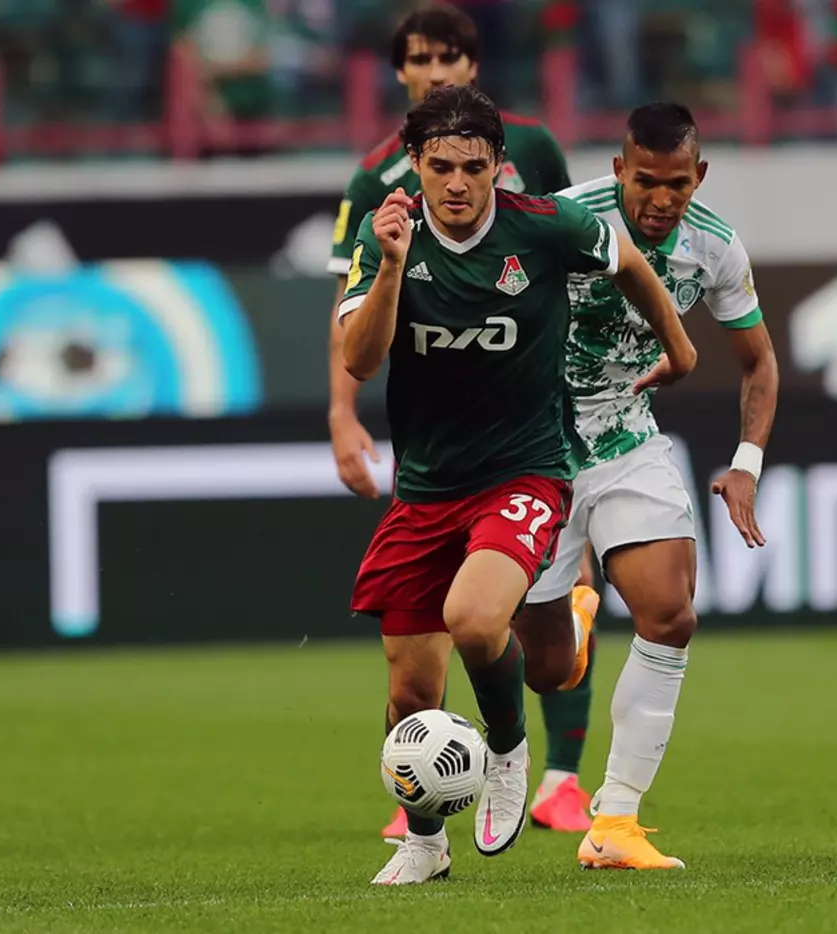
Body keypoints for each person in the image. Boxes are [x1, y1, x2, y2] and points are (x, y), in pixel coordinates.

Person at [340, 84, 698, 886]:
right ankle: (425, 844)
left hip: (524, 471)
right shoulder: (385, 235)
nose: (457, 184)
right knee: (410, 695)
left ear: (499, 166)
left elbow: (628, 262)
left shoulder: (544, 227)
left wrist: (678, 347)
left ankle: (506, 749)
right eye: (441, 167)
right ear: (415, 164)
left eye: (474, 167)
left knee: (473, 621)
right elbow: (360, 360)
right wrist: (392, 267)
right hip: (426, 487)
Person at [323, 2, 601, 839]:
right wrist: (341, 413)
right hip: (432, 459)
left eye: (449, 56)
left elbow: (579, 260)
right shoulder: (375, 187)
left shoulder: (534, 151)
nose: (435, 70)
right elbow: (349, 322)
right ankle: (426, 821)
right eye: (420, 58)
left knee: (494, 620)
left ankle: (555, 774)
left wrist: (611, 378)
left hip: (533, 430)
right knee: (420, 679)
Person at [518, 101, 780, 871]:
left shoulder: (716, 247)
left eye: (677, 183)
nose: (661, 199)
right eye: (645, 182)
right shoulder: (562, 220)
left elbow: (759, 361)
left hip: (625, 436)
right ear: (618, 170)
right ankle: (570, 619)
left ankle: (615, 823)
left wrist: (746, 462)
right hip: (531, 443)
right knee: (546, 669)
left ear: (700, 175)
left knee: (670, 613)